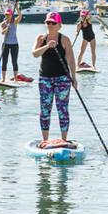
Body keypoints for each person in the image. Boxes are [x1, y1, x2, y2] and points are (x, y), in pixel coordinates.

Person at [32, 12, 77, 141]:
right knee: (45, 109)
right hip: (45, 79)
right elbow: (34, 54)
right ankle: (45, 140)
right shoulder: (41, 38)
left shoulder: (65, 39)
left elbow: (71, 60)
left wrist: (74, 77)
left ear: (59, 25)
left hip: (63, 79)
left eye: (53, 23)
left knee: (62, 110)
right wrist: (47, 46)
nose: (50, 25)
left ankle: (64, 140)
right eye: (48, 22)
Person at [0, 4, 23, 81]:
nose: (7, 16)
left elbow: (20, 16)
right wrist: (6, 29)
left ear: (11, 15)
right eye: (6, 14)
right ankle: (3, 79)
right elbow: (2, 33)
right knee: (4, 61)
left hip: (14, 44)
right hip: (5, 44)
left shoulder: (15, 22)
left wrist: (16, 8)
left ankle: (15, 79)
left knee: (14, 61)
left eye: (8, 14)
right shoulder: (4, 23)